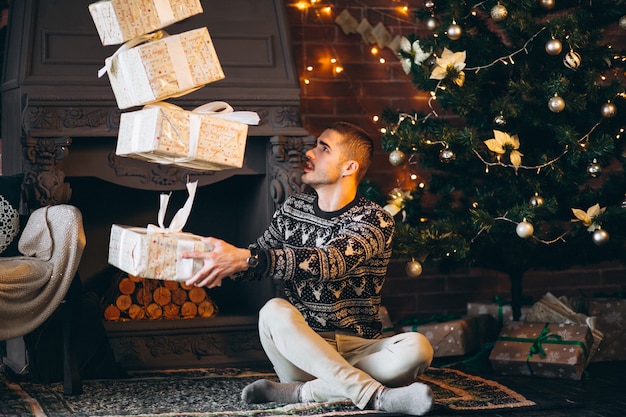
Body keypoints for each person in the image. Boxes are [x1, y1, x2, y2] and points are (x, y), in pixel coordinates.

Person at [182, 121, 435, 416]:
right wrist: (210, 259)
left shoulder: (374, 219)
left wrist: (247, 259)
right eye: (315, 144)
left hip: (360, 346)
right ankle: (377, 396)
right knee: (273, 310)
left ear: (349, 167)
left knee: (419, 348)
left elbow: (331, 262)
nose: (310, 152)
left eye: (323, 148)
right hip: (301, 348)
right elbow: (256, 261)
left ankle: (298, 392)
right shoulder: (292, 209)